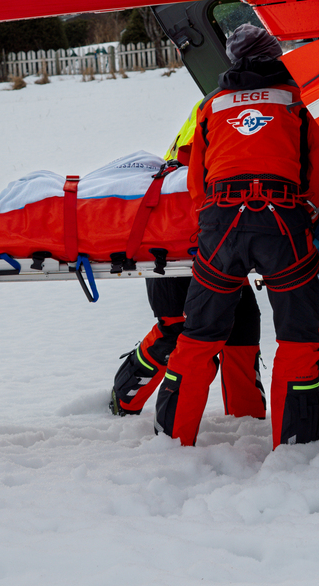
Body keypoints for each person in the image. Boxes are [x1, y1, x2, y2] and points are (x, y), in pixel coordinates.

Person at [156, 24, 319, 448]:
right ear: (275, 55)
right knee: (298, 333)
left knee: (198, 335)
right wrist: (302, 210)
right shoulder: (296, 99)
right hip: (281, 219)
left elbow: (196, 177)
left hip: (220, 223)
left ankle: (174, 442)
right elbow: (317, 170)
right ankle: (294, 443)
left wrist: (213, 217)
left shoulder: (211, 105)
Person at [108, 98, 265, 419]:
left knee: (242, 327)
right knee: (176, 332)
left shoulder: (246, 102)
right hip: (172, 238)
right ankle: (123, 403)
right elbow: (194, 174)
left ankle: (247, 420)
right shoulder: (226, 107)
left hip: (217, 240)